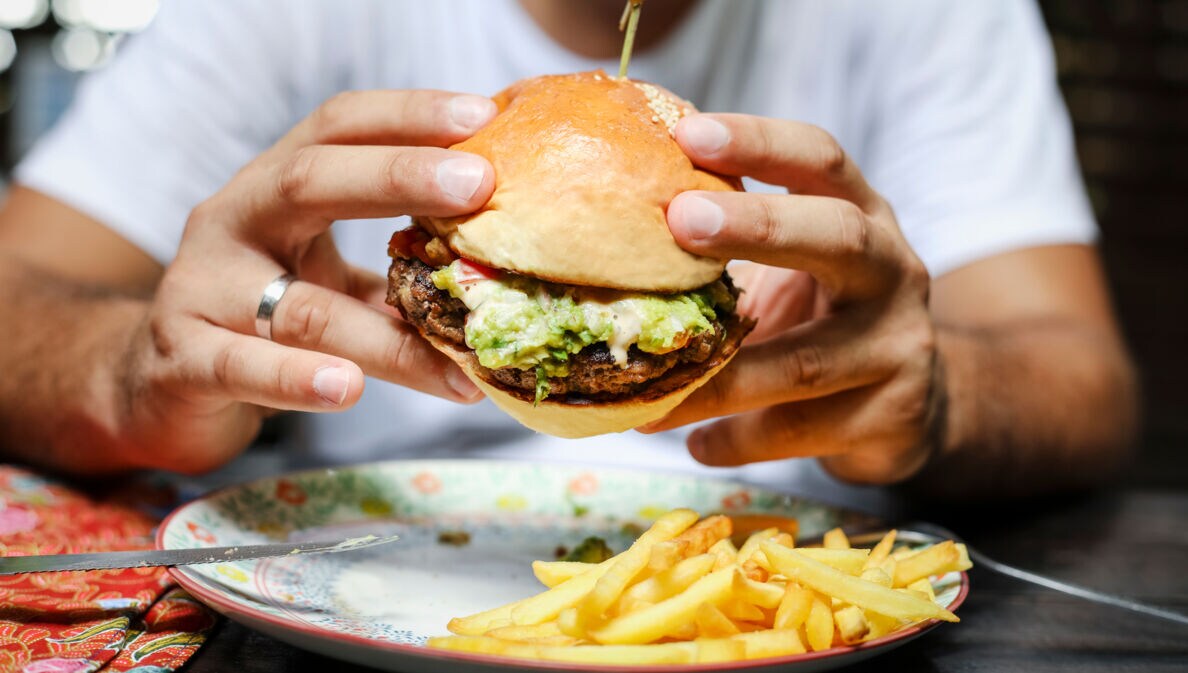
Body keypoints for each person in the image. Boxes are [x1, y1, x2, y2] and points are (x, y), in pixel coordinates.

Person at [0, 0, 1137, 505]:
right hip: (369, 559)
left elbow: (1083, 376)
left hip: (756, 572)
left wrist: (936, 396)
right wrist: (127, 374)